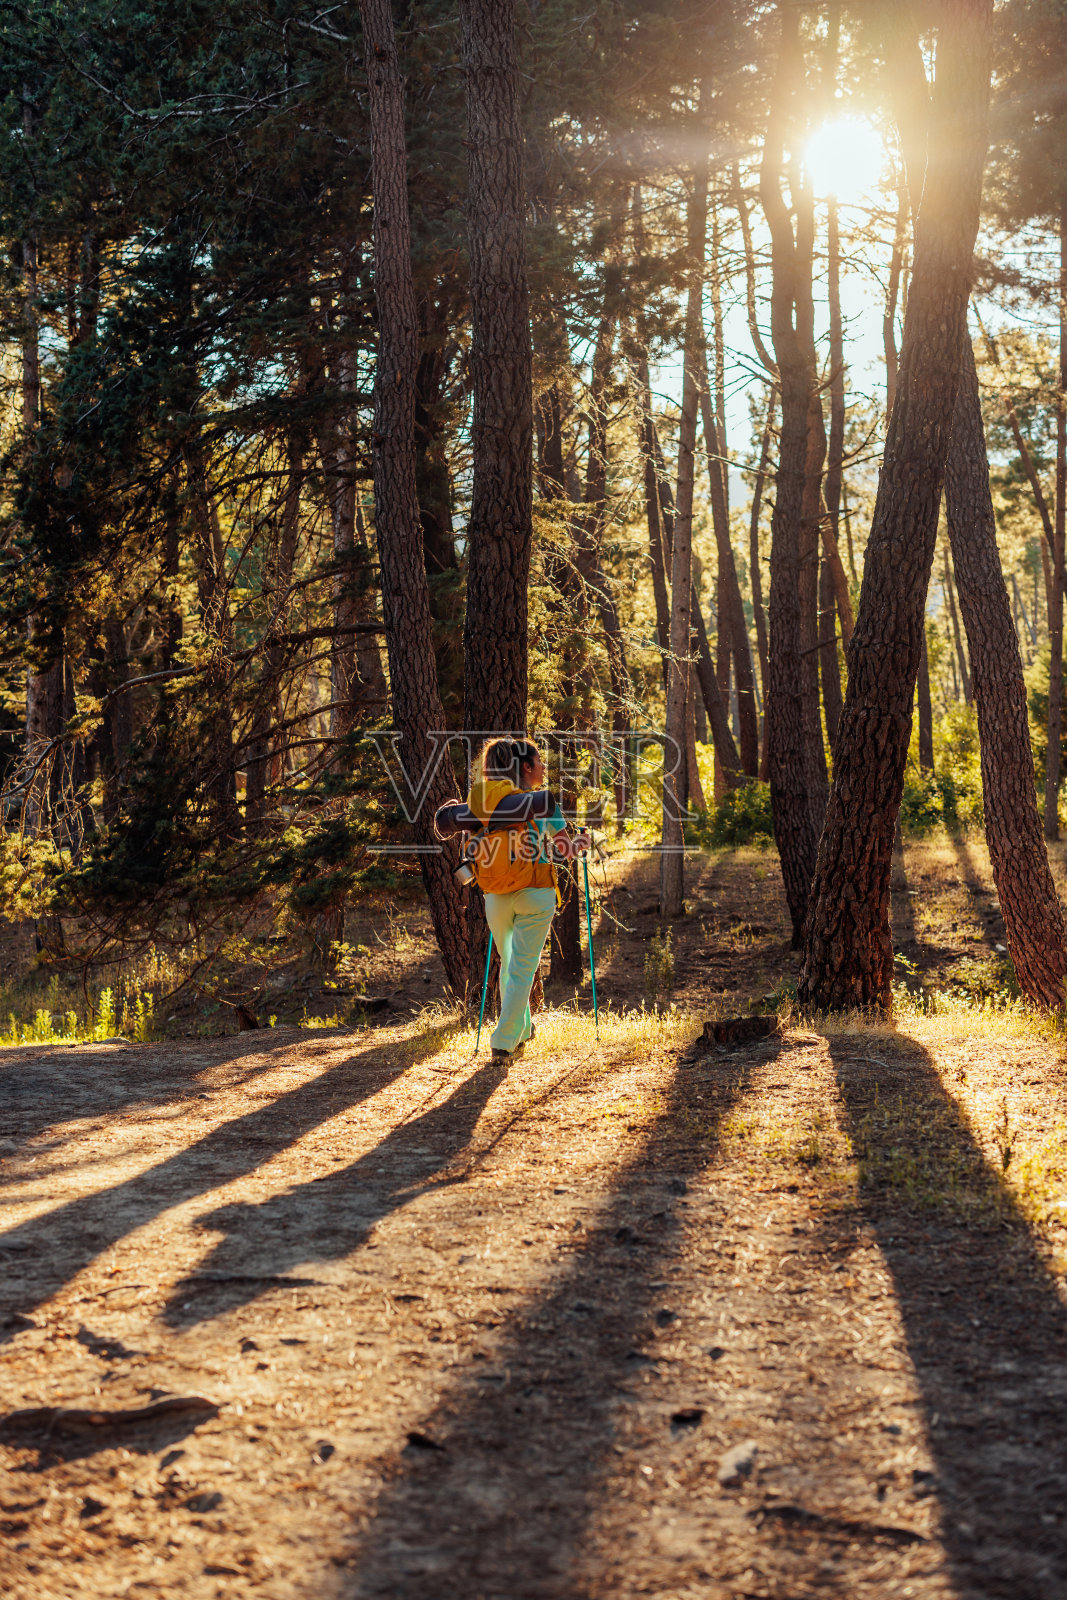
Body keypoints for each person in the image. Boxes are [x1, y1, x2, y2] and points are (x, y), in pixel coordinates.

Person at [467, 737, 590, 1063]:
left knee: (511, 965)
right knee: (521, 968)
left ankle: (520, 1031)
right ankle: (504, 1042)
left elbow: (473, 845)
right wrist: (583, 841)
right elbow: (566, 851)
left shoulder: (480, 801)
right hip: (535, 891)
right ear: (524, 767)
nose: (543, 767)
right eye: (539, 761)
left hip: (494, 893)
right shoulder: (540, 802)